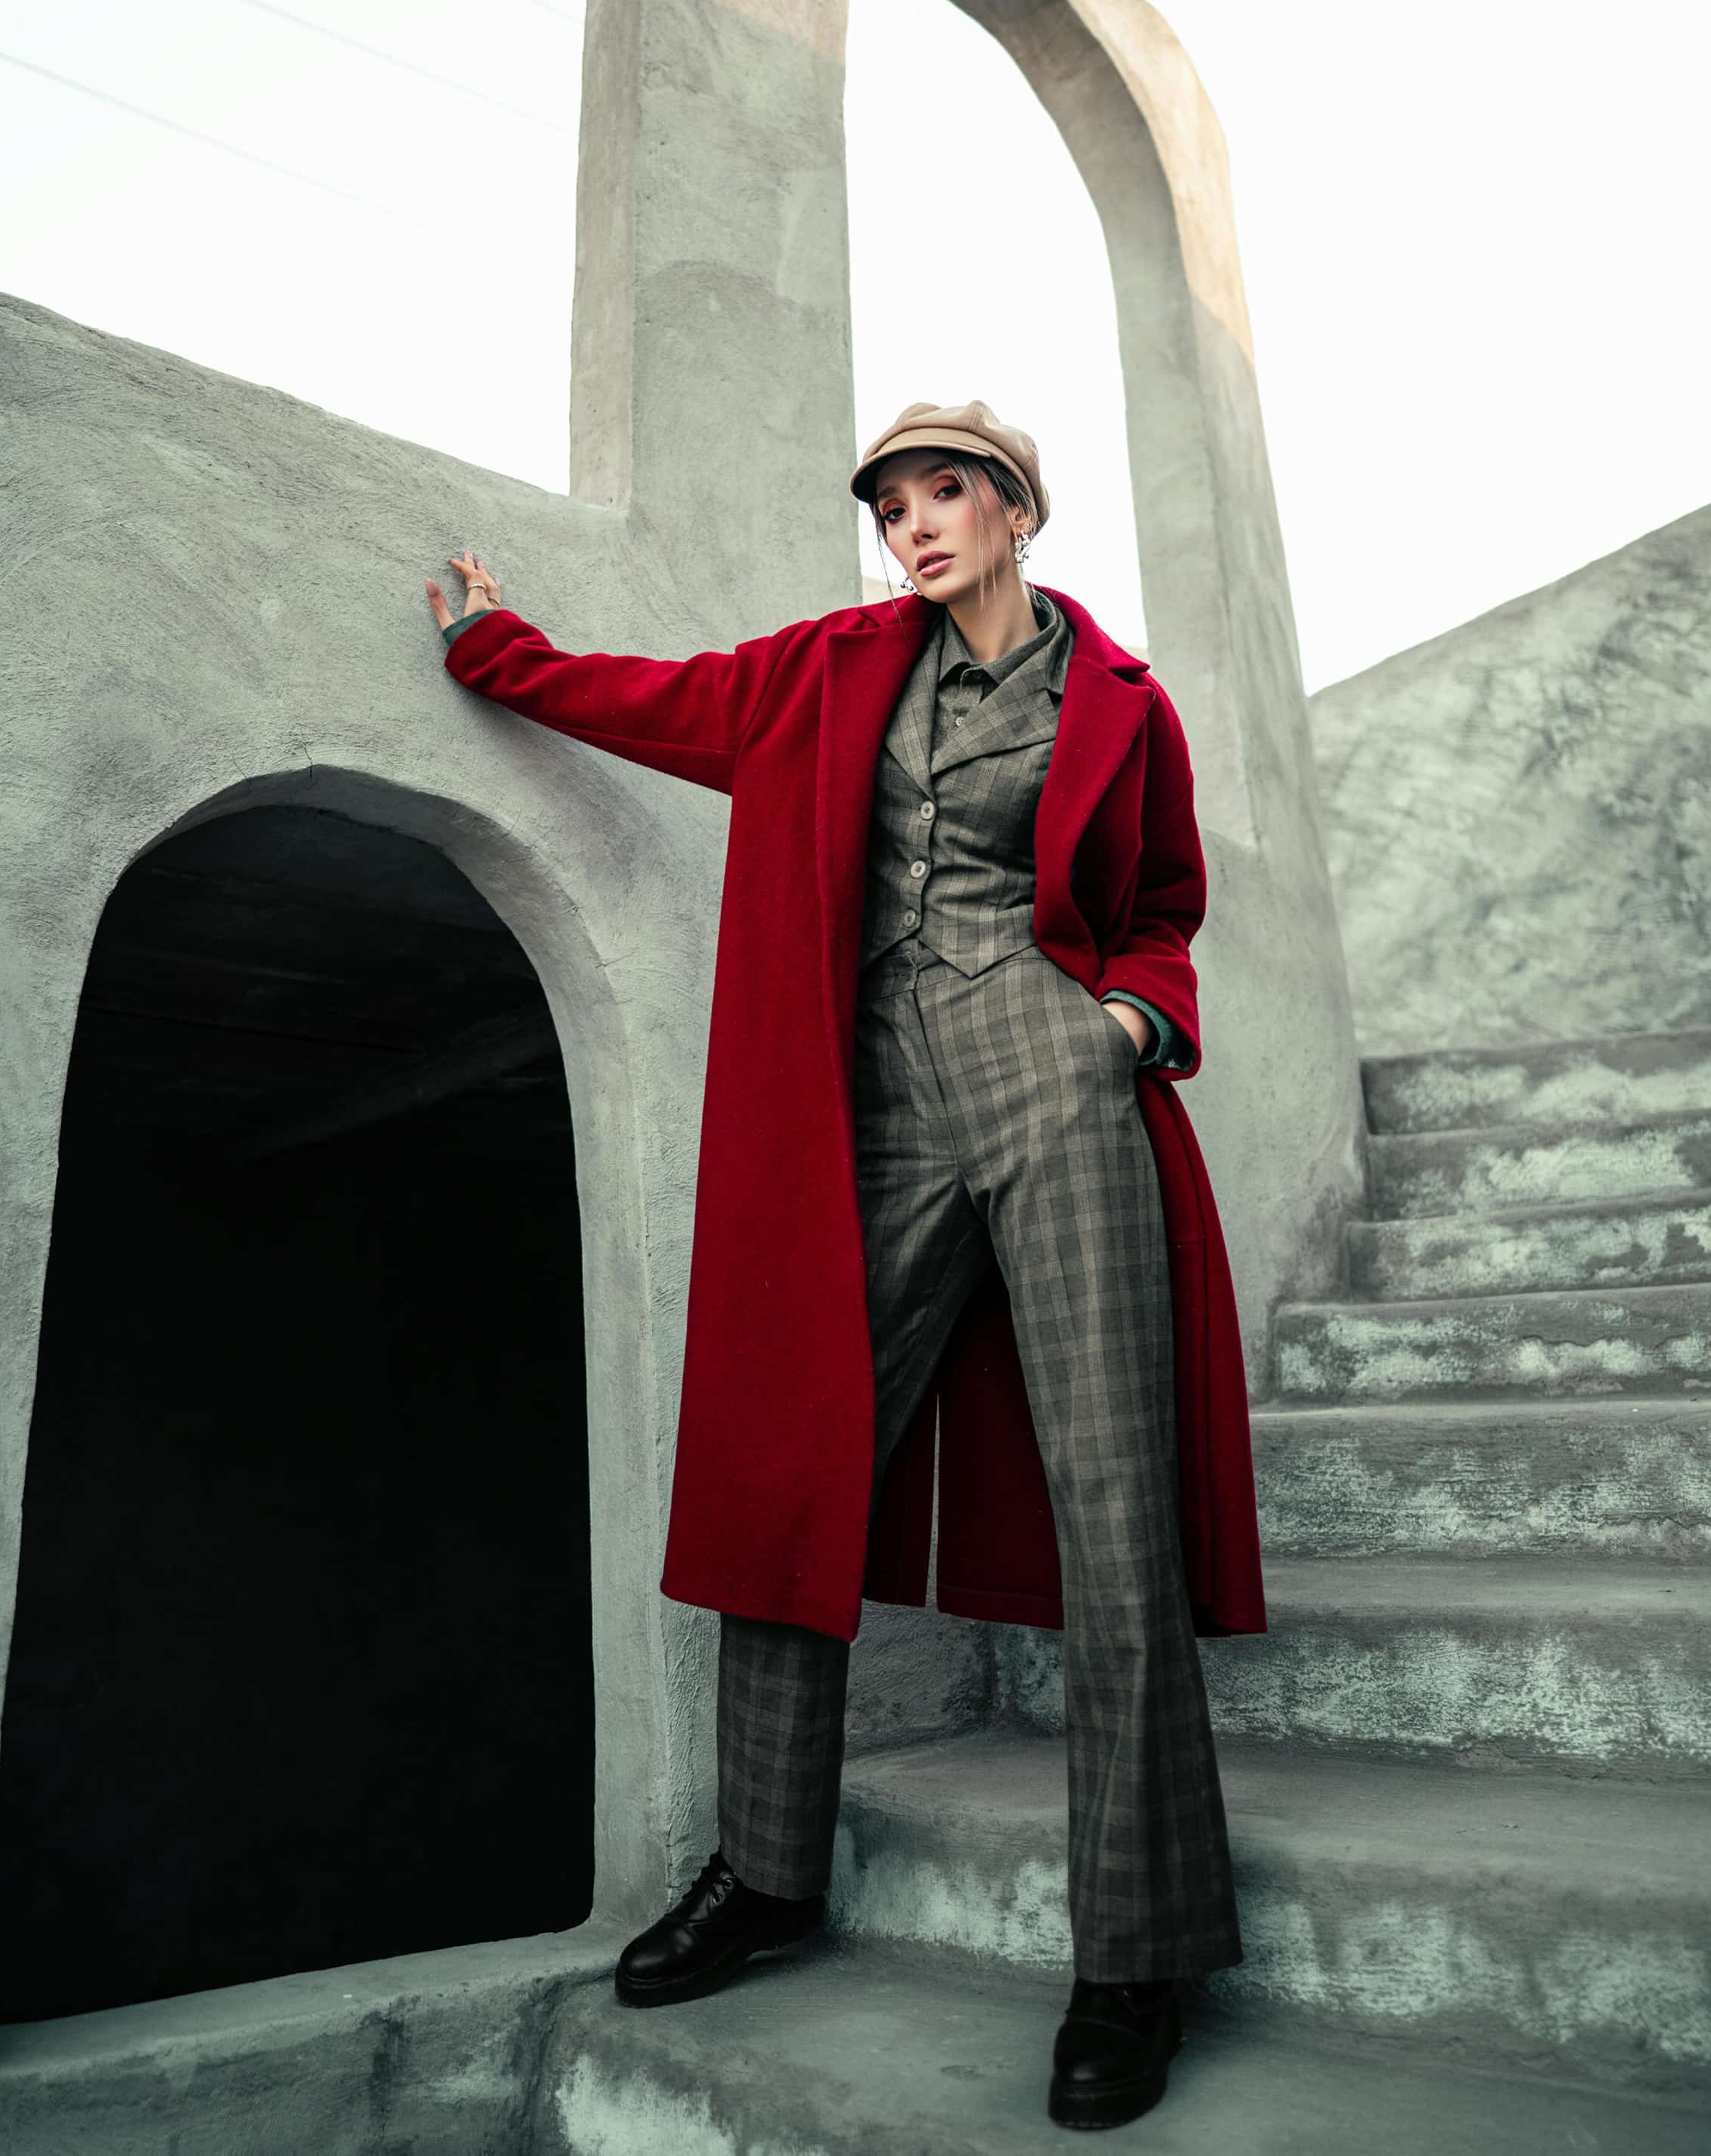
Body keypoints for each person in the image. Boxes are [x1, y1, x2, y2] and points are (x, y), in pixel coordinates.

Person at [424, 399, 1263, 2133]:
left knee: (1119, 1511)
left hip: (1054, 1073)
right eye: (890, 504)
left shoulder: (1124, 705)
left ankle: (1137, 1952)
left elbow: (1166, 900)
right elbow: (651, 702)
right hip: (869, 1104)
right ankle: (770, 1867)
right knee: (790, 1476)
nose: (913, 524)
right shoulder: (824, 674)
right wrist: (501, 651)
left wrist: (1127, 1019)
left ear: (1017, 507)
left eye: (944, 492)